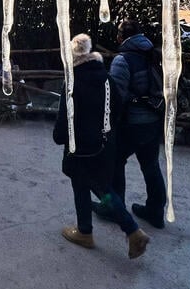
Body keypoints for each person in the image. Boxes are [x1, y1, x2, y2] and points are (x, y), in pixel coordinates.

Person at [53, 33, 150, 259]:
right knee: (93, 185)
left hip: (81, 148)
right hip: (105, 145)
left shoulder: (72, 81)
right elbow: (117, 108)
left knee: (95, 187)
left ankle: (130, 230)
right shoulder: (107, 80)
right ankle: (85, 229)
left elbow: (64, 118)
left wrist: (59, 137)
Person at [103, 19, 168, 229]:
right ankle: (156, 211)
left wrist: (108, 123)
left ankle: (116, 208)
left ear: (122, 37)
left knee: (114, 162)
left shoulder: (123, 60)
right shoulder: (153, 54)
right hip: (154, 119)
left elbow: (115, 96)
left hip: (132, 123)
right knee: (151, 166)